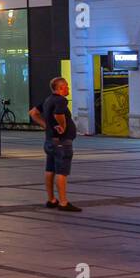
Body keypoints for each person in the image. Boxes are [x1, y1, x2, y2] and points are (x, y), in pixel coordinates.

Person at [30, 77, 81, 212]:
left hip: (50, 141)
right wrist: (63, 126)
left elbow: (33, 113)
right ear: (61, 88)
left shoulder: (48, 100)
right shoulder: (61, 100)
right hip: (61, 142)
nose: (68, 89)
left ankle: (51, 199)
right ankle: (63, 203)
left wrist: (46, 126)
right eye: (67, 87)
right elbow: (59, 114)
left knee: (50, 170)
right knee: (62, 172)